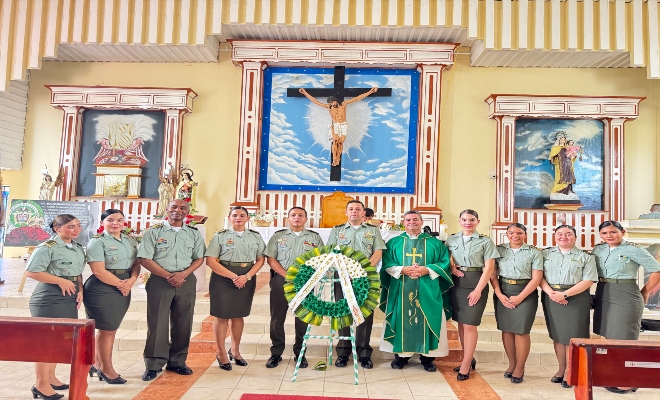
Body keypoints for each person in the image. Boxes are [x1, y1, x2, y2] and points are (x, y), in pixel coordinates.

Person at [138, 199, 206, 381]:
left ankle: (177, 361)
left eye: (182, 208)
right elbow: (145, 258)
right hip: (160, 280)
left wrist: (183, 274)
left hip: (186, 280)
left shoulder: (193, 233)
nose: (178, 210)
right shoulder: (154, 232)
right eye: (174, 207)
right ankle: (153, 364)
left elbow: (199, 258)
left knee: (184, 322)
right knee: (157, 323)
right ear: (167, 210)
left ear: (187, 212)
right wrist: (168, 276)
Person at [592, 220, 660, 394]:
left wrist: (645, 291)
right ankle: (615, 374)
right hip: (603, 292)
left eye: (613, 232)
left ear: (622, 232)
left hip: (625, 293)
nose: (609, 236)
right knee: (608, 336)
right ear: (600, 235)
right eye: (605, 233)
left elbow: (657, 270)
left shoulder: (634, 249)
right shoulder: (598, 249)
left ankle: (629, 380)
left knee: (625, 338)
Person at [379, 210, 452, 372]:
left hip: (428, 288)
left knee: (428, 318)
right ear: (403, 223)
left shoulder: (435, 243)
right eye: (408, 220)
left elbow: (444, 262)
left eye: (415, 219)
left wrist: (427, 269)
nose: (411, 222)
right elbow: (386, 262)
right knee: (400, 317)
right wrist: (401, 269)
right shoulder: (394, 243)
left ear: (421, 222)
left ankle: (428, 359)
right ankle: (401, 357)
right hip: (401, 287)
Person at [25, 214, 85, 399]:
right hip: (49, 298)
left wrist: (80, 290)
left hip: (69, 296)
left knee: (59, 340)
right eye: (70, 226)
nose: (76, 229)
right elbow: (32, 272)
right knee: (46, 342)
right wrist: (60, 281)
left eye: (78, 225)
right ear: (56, 229)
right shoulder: (47, 247)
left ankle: (50, 377)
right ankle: (40, 384)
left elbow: (77, 273)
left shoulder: (77, 247)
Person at [84, 209, 141, 384]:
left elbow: (136, 263)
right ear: (102, 223)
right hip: (102, 288)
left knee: (110, 328)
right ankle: (106, 369)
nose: (115, 223)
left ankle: (96, 363)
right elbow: (98, 270)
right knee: (107, 329)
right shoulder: (97, 242)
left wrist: (131, 281)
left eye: (119, 220)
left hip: (124, 286)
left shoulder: (130, 241)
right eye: (110, 220)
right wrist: (121, 284)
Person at [205, 206, 266, 371]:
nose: (238, 218)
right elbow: (211, 261)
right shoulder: (220, 236)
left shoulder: (255, 236)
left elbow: (261, 260)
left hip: (246, 277)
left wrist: (246, 277)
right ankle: (221, 352)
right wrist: (233, 277)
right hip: (223, 277)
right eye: (235, 215)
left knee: (238, 315)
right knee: (222, 316)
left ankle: (235, 350)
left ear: (247, 218)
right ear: (229, 218)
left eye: (242, 215)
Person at [328, 200, 386, 369]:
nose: (354, 211)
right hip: (342, 275)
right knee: (343, 311)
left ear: (363, 213)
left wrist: (364, 268)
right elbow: (331, 251)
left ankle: (364, 353)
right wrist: (344, 269)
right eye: (351, 209)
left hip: (365, 275)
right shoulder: (337, 230)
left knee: (365, 312)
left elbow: (378, 251)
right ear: (346, 212)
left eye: (358, 209)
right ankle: (343, 352)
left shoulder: (373, 230)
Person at [263, 207, 323, 369]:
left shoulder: (314, 237)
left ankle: (300, 353)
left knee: (302, 317)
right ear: (288, 218)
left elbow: (320, 259)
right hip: (281, 279)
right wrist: (287, 276)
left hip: (305, 280)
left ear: (306, 219)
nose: (297, 217)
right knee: (277, 317)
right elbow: (271, 259)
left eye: (300, 215)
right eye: (293, 215)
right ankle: (276, 353)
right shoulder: (278, 236)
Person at [540, 225, 597, 389]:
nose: (563, 237)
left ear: (575, 237)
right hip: (551, 296)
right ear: (554, 236)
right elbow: (538, 276)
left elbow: (588, 280)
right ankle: (561, 368)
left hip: (575, 298)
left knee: (573, 336)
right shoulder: (545, 254)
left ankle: (570, 371)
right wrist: (552, 294)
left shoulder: (585, 256)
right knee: (558, 335)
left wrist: (564, 295)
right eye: (559, 233)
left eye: (568, 234)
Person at [446, 209, 499, 381]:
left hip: (476, 281)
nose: (468, 223)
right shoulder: (452, 239)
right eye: (464, 220)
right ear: (459, 221)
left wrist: (478, 290)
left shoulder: (485, 241)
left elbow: (489, 268)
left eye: (471, 220)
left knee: (470, 325)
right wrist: (451, 267)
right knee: (462, 324)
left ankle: (466, 364)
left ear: (478, 222)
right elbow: (445, 258)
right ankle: (468, 358)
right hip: (457, 283)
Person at [490, 223, 543, 383]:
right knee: (506, 330)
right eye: (511, 232)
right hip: (503, 290)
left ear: (525, 235)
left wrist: (520, 297)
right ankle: (512, 363)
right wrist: (499, 294)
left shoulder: (534, 252)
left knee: (521, 331)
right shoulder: (499, 250)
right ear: (507, 234)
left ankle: (520, 367)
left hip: (525, 292)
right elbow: (492, 274)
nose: (515, 236)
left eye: (519, 233)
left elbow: (537, 278)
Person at [298, 87, 378, 166]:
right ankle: (334, 158)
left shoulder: (343, 104)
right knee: (335, 140)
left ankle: (338, 159)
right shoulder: (329, 107)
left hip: (343, 125)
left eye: (332, 103)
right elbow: (315, 101)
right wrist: (304, 92)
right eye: (330, 103)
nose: (331, 104)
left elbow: (357, 98)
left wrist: (370, 91)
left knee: (340, 142)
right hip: (335, 124)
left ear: (335, 101)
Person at [548, 132, 578, 196]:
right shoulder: (555, 148)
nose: (563, 141)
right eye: (561, 139)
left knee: (568, 176)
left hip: (568, 164)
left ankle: (568, 190)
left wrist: (574, 155)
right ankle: (558, 190)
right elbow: (551, 156)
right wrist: (551, 158)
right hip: (560, 165)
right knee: (560, 177)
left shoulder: (567, 147)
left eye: (564, 139)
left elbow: (572, 155)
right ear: (558, 140)